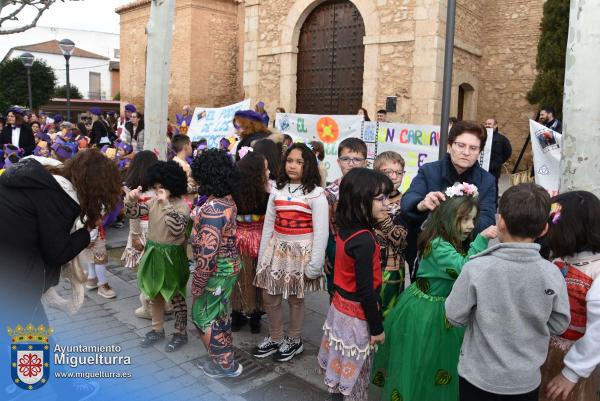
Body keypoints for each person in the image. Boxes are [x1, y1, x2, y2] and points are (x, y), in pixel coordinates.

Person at [371, 182, 497, 401]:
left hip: (444, 309)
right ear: (447, 218)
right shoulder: (438, 244)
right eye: (464, 219)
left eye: (473, 220)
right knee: (420, 361)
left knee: (438, 364)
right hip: (427, 312)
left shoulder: (454, 241)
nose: (470, 226)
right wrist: (483, 238)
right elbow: (465, 269)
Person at [445, 183, 570, 401]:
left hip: (477, 377)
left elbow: (454, 315)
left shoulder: (476, 268)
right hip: (525, 381)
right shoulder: (552, 273)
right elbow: (559, 324)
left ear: (500, 221)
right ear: (544, 229)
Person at [0, 149, 122, 325]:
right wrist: (87, 232)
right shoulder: (58, 196)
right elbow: (58, 252)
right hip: (14, 282)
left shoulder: (40, 177)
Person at [318, 168, 392, 401]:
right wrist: (377, 327)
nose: (386, 203)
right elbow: (365, 290)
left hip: (340, 309)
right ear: (361, 201)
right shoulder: (364, 239)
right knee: (355, 369)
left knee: (340, 361)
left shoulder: (348, 227)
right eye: (380, 198)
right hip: (356, 316)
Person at [252, 143, 328, 362]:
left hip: (300, 253)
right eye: (289, 161)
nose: (292, 166)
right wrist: (262, 257)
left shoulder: (316, 194)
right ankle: (276, 337)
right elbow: (268, 224)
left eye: (299, 162)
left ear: (308, 165)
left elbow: (321, 232)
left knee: (295, 298)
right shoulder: (277, 190)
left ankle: (294, 340)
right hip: (276, 250)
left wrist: (315, 264)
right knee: (269, 294)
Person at [400, 120, 496, 278]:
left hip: (466, 254)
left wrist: (461, 221)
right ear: (449, 146)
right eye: (460, 145)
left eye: (473, 148)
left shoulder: (487, 181)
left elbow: (487, 217)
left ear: (479, 152)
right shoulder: (429, 171)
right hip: (427, 253)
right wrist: (422, 204)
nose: (466, 152)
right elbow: (408, 200)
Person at [124, 161, 191, 352]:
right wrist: (131, 200)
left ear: (173, 185)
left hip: (173, 256)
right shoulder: (153, 202)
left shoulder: (181, 206)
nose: (157, 192)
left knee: (177, 297)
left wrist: (166, 204)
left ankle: (180, 333)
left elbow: (177, 229)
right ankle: (157, 329)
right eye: (155, 188)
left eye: (161, 188)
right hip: (153, 253)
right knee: (155, 294)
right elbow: (134, 213)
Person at [540, 191, 600, 401]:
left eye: (554, 221)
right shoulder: (558, 262)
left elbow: (597, 332)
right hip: (543, 353)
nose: (548, 228)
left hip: (575, 363)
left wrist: (571, 373)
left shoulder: (596, 271)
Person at [190, 149, 243, 378]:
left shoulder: (213, 209)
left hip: (216, 270)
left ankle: (225, 365)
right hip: (229, 267)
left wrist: (198, 283)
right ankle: (224, 359)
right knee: (219, 314)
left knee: (202, 316)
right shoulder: (227, 201)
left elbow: (207, 253)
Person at [231, 151, 270, 333]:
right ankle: (256, 316)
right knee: (257, 277)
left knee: (239, 277)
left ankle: (236, 315)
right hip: (260, 240)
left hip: (238, 238)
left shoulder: (233, 191)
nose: (268, 171)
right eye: (266, 168)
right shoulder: (267, 194)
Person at [325, 138, 368, 296]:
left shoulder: (372, 191)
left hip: (365, 250)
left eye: (357, 159)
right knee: (336, 292)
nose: (351, 163)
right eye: (345, 159)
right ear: (338, 161)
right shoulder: (330, 192)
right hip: (337, 248)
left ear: (365, 162)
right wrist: (323, 255)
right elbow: (324, 227)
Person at [373, 151, 408, 316]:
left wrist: (382, 217)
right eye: (388, 172)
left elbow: (401, 241)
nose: (394, 176)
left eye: (399, 172)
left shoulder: (406, 202)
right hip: (368, 265)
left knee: (388, 315)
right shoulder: (367, 197)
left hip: (392, 268)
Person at [484, 118, 512, 198]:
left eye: (489, 124)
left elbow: (508, 151)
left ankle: (493, 206)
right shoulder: (481, 137)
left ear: (495, 125)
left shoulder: (502, 139)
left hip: (494, 169)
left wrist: (498, 162)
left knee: (493, 188)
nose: (487, 126)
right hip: (481, 168)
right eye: (486, 124)